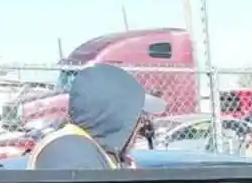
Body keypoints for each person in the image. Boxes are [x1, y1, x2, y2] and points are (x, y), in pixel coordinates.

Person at [30, 65, 166, 170]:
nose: (140, 127)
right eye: (138, 119)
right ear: (117, 117)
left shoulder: (92, 147)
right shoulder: (72, 154)